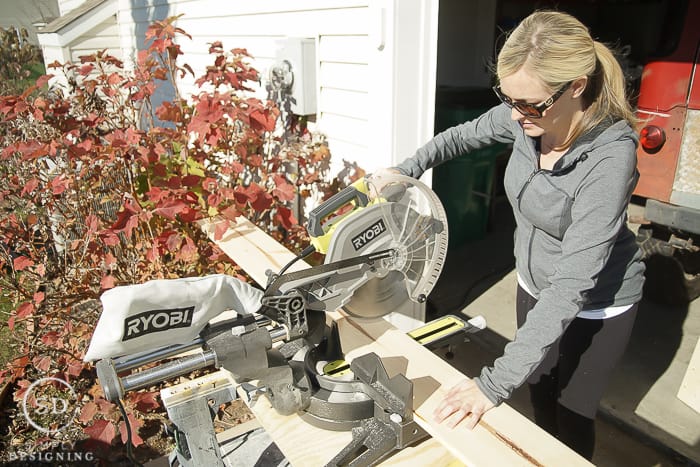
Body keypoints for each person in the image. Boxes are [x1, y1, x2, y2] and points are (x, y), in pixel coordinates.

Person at [389, 10, 645, 460]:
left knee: (572, 416)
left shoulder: (609, 160)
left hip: (597, 304)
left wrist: (489, 386)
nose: (515, 114)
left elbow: (570, 287)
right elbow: (460, 137)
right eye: (508, 98)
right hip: (532, 283)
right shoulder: (523, 113)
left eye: (530, 104)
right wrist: (406, 171)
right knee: (539, 397)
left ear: (577, 87)